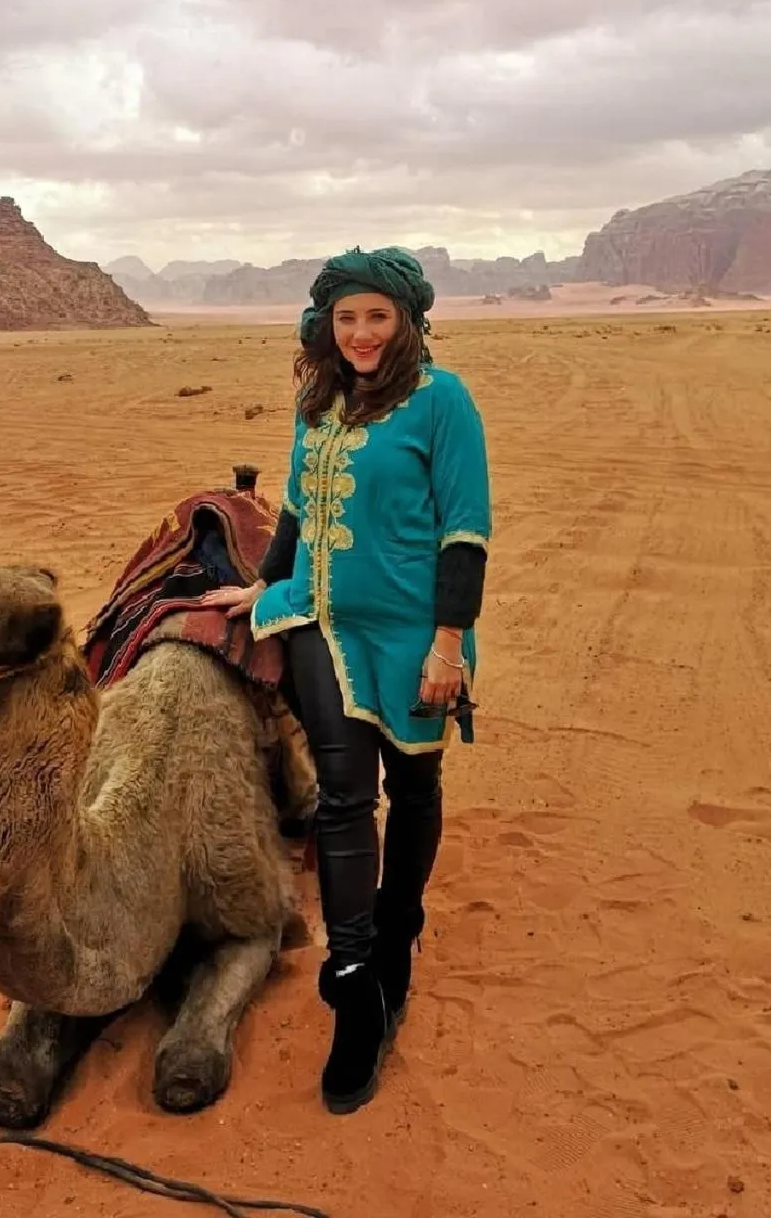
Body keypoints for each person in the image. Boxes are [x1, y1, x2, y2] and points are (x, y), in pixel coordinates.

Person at [201, 246, 491, 1115]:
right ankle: (357, 983)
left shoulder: (443, 403)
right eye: (345, 318)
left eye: (375, 316)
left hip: (412, 635)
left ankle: (399, 930)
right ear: (326, 326)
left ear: (404, 320)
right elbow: (296, 503)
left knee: (415, 781)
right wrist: (266, 584)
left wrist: (450, 644)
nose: (359, 334)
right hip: (322, 616)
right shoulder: (317, 401)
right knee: (341, 795)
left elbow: (465, 531)